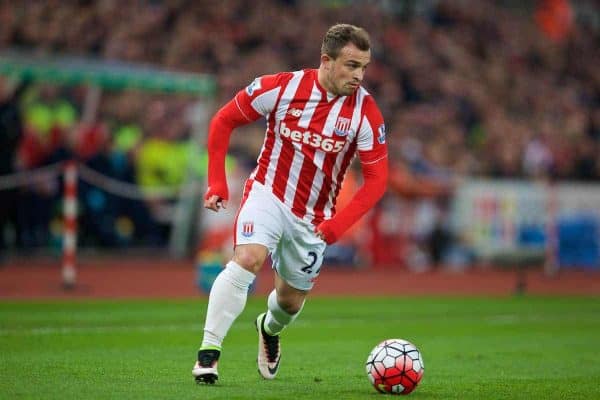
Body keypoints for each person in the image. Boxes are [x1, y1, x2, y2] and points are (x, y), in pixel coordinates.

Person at [192, 23, 389, 384]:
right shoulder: (281, 87)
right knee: (248, 259)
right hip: (268, 193)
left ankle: (268, 329)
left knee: (289, 303)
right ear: (326, 61)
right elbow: (224, 120)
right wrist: (217, 181)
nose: (359, 75)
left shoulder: (366, 113)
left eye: (363, 67)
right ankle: (208, 354)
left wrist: (337, 226)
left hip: (315, 219)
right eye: (351, 65)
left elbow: (377, 181)